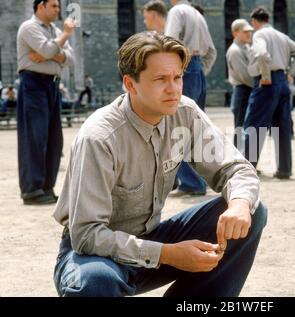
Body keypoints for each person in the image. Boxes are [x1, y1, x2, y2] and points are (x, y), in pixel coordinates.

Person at [52, 31, 266, 297]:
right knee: (96, 282)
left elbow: (236, 169)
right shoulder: (100, 138)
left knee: (250, 211)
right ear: (130, 84)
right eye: (160, 79)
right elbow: (87, 235)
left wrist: (239, 205)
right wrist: (168, 254)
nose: (173, 88)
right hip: (92, 254)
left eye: (177, 77)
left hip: (151, 239)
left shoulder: (184, 114)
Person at [16, 0, 75, 205]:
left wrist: (51, 52)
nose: (58, 10)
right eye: (53, 6)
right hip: (34, 83)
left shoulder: (54, 30)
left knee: (53, 138)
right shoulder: (29, 27)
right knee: (35, 137)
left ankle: (46, 187)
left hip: (52, 86)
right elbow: (50, 51)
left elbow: (70, 59)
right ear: (40, 6)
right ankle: (32, 189)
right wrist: (64, 37)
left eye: (58, 6)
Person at [243, 7, 295, 180]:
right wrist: (291, 72)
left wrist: (265, 75)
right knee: (282, 127)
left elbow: (262, 54)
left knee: (255, 126)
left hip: (266, 83)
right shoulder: (281, 35)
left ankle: (246, 168)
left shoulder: (259, 35)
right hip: (283, 81)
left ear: (255, 21)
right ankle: (284, 169)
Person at [165, 0, 217, 196]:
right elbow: (212, 50)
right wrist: (201, 70)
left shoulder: (177, 11)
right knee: (195, 128)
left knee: (178, 125)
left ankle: (191, 182)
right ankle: (200, 180)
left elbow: (169, 42)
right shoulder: (198, 15)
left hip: (184, 68)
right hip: (197, 71)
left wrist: (172, 73)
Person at [226, 19, 254, 151]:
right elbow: (245, 75)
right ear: (235, 33)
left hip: (248, 90)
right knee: (241, 128)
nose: (249, 34)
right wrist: (261, 86)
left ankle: (248, 160)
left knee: (249, 128)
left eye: (250, 31)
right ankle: (240, 162)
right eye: (245, 32)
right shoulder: (235, 51)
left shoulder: (246, 47)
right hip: (243, 90)